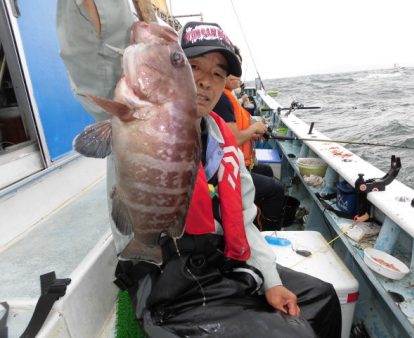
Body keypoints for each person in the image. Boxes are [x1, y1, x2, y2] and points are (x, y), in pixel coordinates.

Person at [57, 7, 341, 337]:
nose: (206, 81)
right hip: (165, 276)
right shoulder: (133, 106)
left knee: (323, 297)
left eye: (218, 74)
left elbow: (245, 219)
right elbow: (88, 47)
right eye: (191, 66)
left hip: (218, 261)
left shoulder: (220, 139)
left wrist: (272, 280)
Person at [213, 48, 286, 231]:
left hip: (236, 164)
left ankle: (254, 219)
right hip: (226, 171)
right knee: (276, 190)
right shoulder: (222, 99)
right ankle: (269, 235)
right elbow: (233, 140)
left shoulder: (226, 96)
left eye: (238, 67)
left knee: (267, 170)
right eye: (233, 69)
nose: (238, 74)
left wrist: (252, 133)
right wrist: (254, 128)